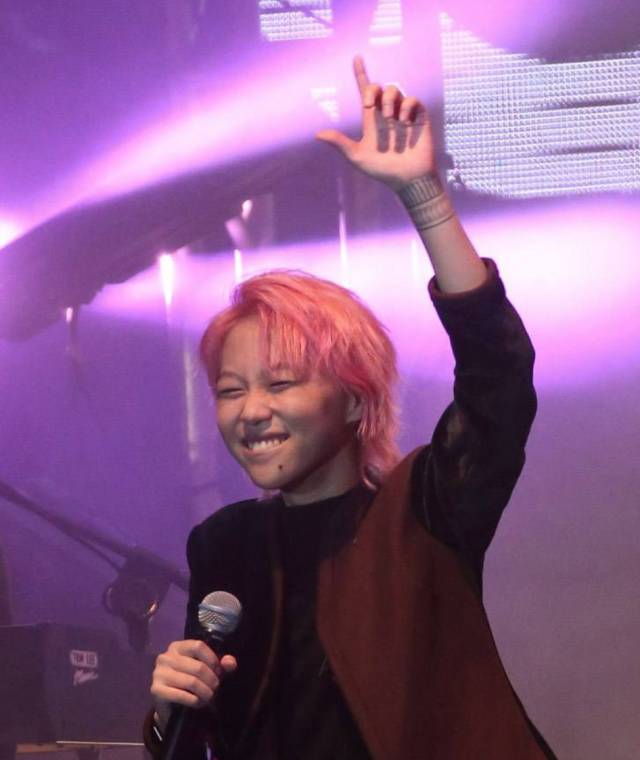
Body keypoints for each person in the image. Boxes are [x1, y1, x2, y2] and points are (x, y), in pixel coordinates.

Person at [144, 57, 556, 759]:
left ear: (355, 397)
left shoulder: (424, 512)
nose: (251, 412)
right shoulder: (225, 545)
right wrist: (167, 715)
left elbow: (500, 377)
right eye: (231, 390)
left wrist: (424, 198)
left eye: (280, 384)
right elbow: (206, 741)